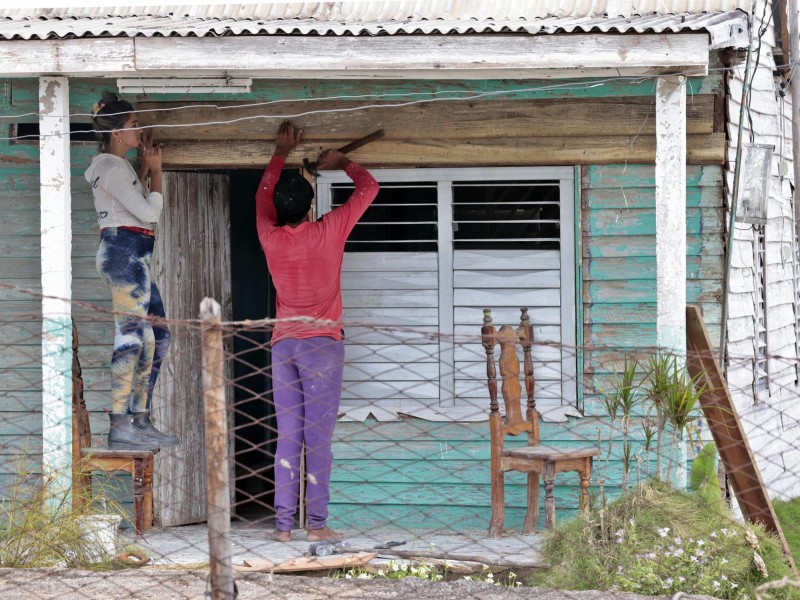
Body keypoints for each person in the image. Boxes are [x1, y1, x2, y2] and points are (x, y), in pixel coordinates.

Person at [256, 120, 379, 542]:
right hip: (322, 348)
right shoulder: (329, 231)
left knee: (288, 437)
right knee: (318, 440)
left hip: (283, 346)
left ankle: (284, 528)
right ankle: (318, 527)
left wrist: (279, 152)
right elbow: (369, 189)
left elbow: (261, 198)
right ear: (310, 207)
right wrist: (343, 161)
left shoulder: (269, 237)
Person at [85, 91, 179, 450]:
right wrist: (156, 173)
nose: (138, 130)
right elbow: (148, 213)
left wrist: (141, 167)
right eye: (133, 125)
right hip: (124, 251)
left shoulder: (115, 167)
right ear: (116, 133)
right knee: (131, 338)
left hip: (134, 252)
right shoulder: (109, 167)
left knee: (159, 336)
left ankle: (139, 419)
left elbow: (128, 201)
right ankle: (120, 423)